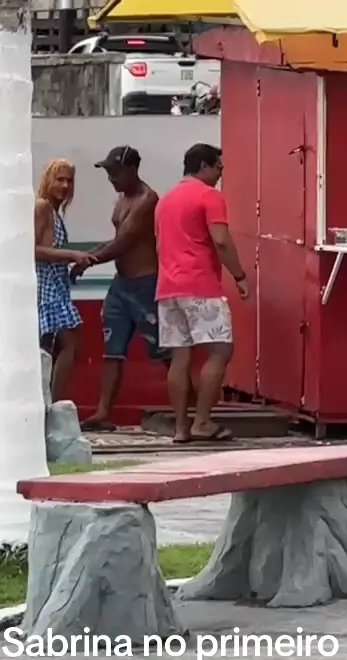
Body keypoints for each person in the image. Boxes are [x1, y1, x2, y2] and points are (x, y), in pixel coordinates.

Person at [155, 142, 248, 444]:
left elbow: (160, 246)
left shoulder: (165, 201)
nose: (221, 173)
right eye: (219, 166)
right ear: (204, 166)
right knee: (221, 350)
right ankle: (203, 422)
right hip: (200, 285)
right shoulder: (209, 196)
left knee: (180, 356)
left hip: (168, 288)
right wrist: (240, 275)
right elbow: (221, 240)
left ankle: (181, 428)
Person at [80, 146, 169, 432]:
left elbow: (124, 242)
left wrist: (88, 260)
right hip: (121, 285)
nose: (111, 179)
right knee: (113, 351)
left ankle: (189, 410)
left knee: (166, 352)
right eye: (108, 173)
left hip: (145, 284)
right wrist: (87, 256)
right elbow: (115, 239)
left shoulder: (147, 199)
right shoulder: (122, 199)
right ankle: (103, 412)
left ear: (132, 170)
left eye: (115, 173)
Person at [35, 159, 96, 402]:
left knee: (54, 347)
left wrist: (70, 264)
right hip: (46, 287)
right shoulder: (42, 207)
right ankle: (53, 402)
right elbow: (31, 249)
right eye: (59, 179)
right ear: (47, 180)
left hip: (56, 285)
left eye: (69, 180)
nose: (65, 185)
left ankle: (50, 400)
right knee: (68, 344)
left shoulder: (53, 212)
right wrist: (71, 255)